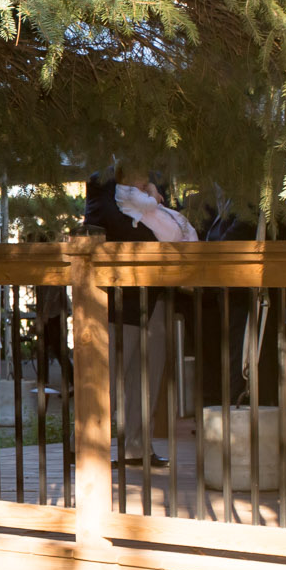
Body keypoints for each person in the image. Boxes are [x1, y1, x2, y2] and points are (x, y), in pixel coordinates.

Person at [84, 159, 197, 465]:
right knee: (109, 373)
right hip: (120, 296)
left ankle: (136, 446)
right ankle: (83, 446)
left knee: (149, 371)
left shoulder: (157, 176)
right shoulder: (101, 179)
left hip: (158, 293)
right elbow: (104, 220)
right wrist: (149, 223)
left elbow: (171, 220)